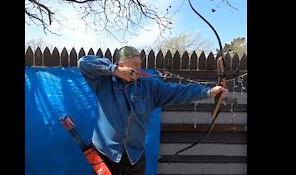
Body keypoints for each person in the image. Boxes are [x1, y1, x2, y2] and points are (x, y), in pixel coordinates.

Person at [78, 46, 227, 175]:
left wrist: (208, 92)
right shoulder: (104, 82)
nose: (138, 68)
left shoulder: (149, 87)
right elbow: (83, 62)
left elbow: (178, 91)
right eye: (134, 64)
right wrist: (114, 70)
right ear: (122, 64)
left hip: (133, 156)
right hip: (106, 154)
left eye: (140, 65)